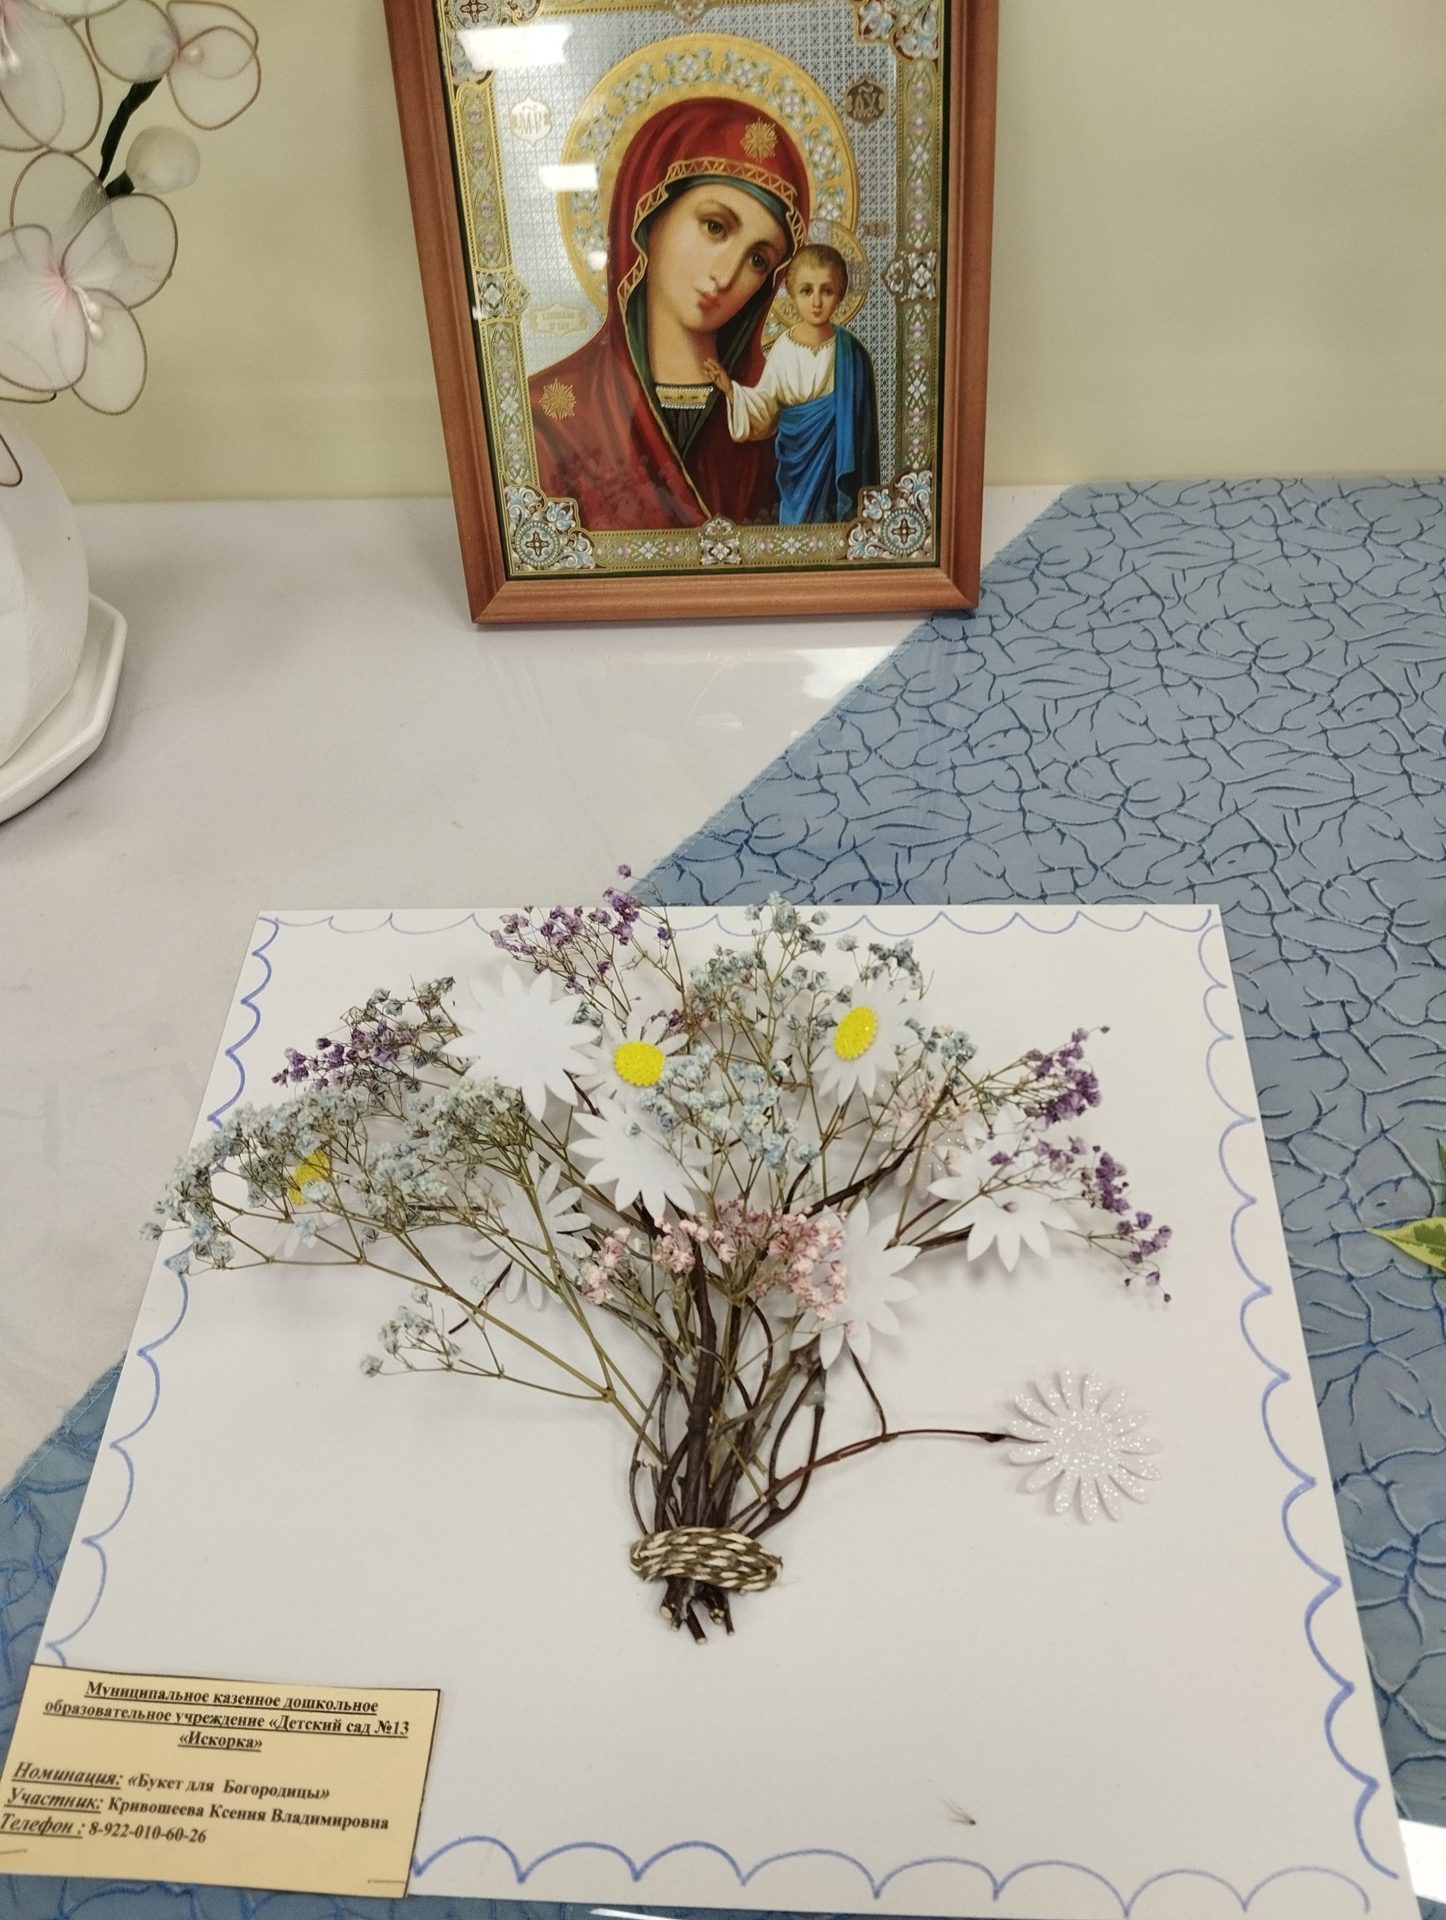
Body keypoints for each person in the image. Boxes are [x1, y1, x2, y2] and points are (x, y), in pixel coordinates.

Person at [527, 98, 810, 533]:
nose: (725, 275)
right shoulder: (549, 419)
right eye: (715, 226)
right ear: (648, 214)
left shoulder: (776, 424)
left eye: (758, 259)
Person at [702, 242, 879, 525]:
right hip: (796, 468)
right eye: (807, 290)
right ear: (792, 294)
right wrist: (731, 390)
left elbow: (864, 435)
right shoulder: (784, 348)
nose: (817, 302)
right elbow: (767, 405)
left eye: (827, 290)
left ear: (841, 294)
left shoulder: (853, 354)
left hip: (837, 472)